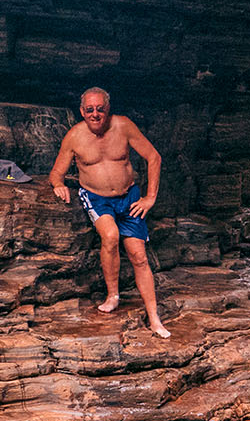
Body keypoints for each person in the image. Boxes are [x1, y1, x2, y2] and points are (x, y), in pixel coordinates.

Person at [49, 86, 171, 338]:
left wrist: (150, 198)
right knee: (111, 235)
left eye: (100, 109)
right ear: (82, 112)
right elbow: (56, 173)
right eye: (90, 110)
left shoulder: (123, 126)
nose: (95, 114)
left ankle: (154, 318)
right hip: (97, 198)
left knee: (139, 256)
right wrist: (58, 185)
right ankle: (113, 295)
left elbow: (154, 157)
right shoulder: (74, 136)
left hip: (129, 197)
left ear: (108, 109)